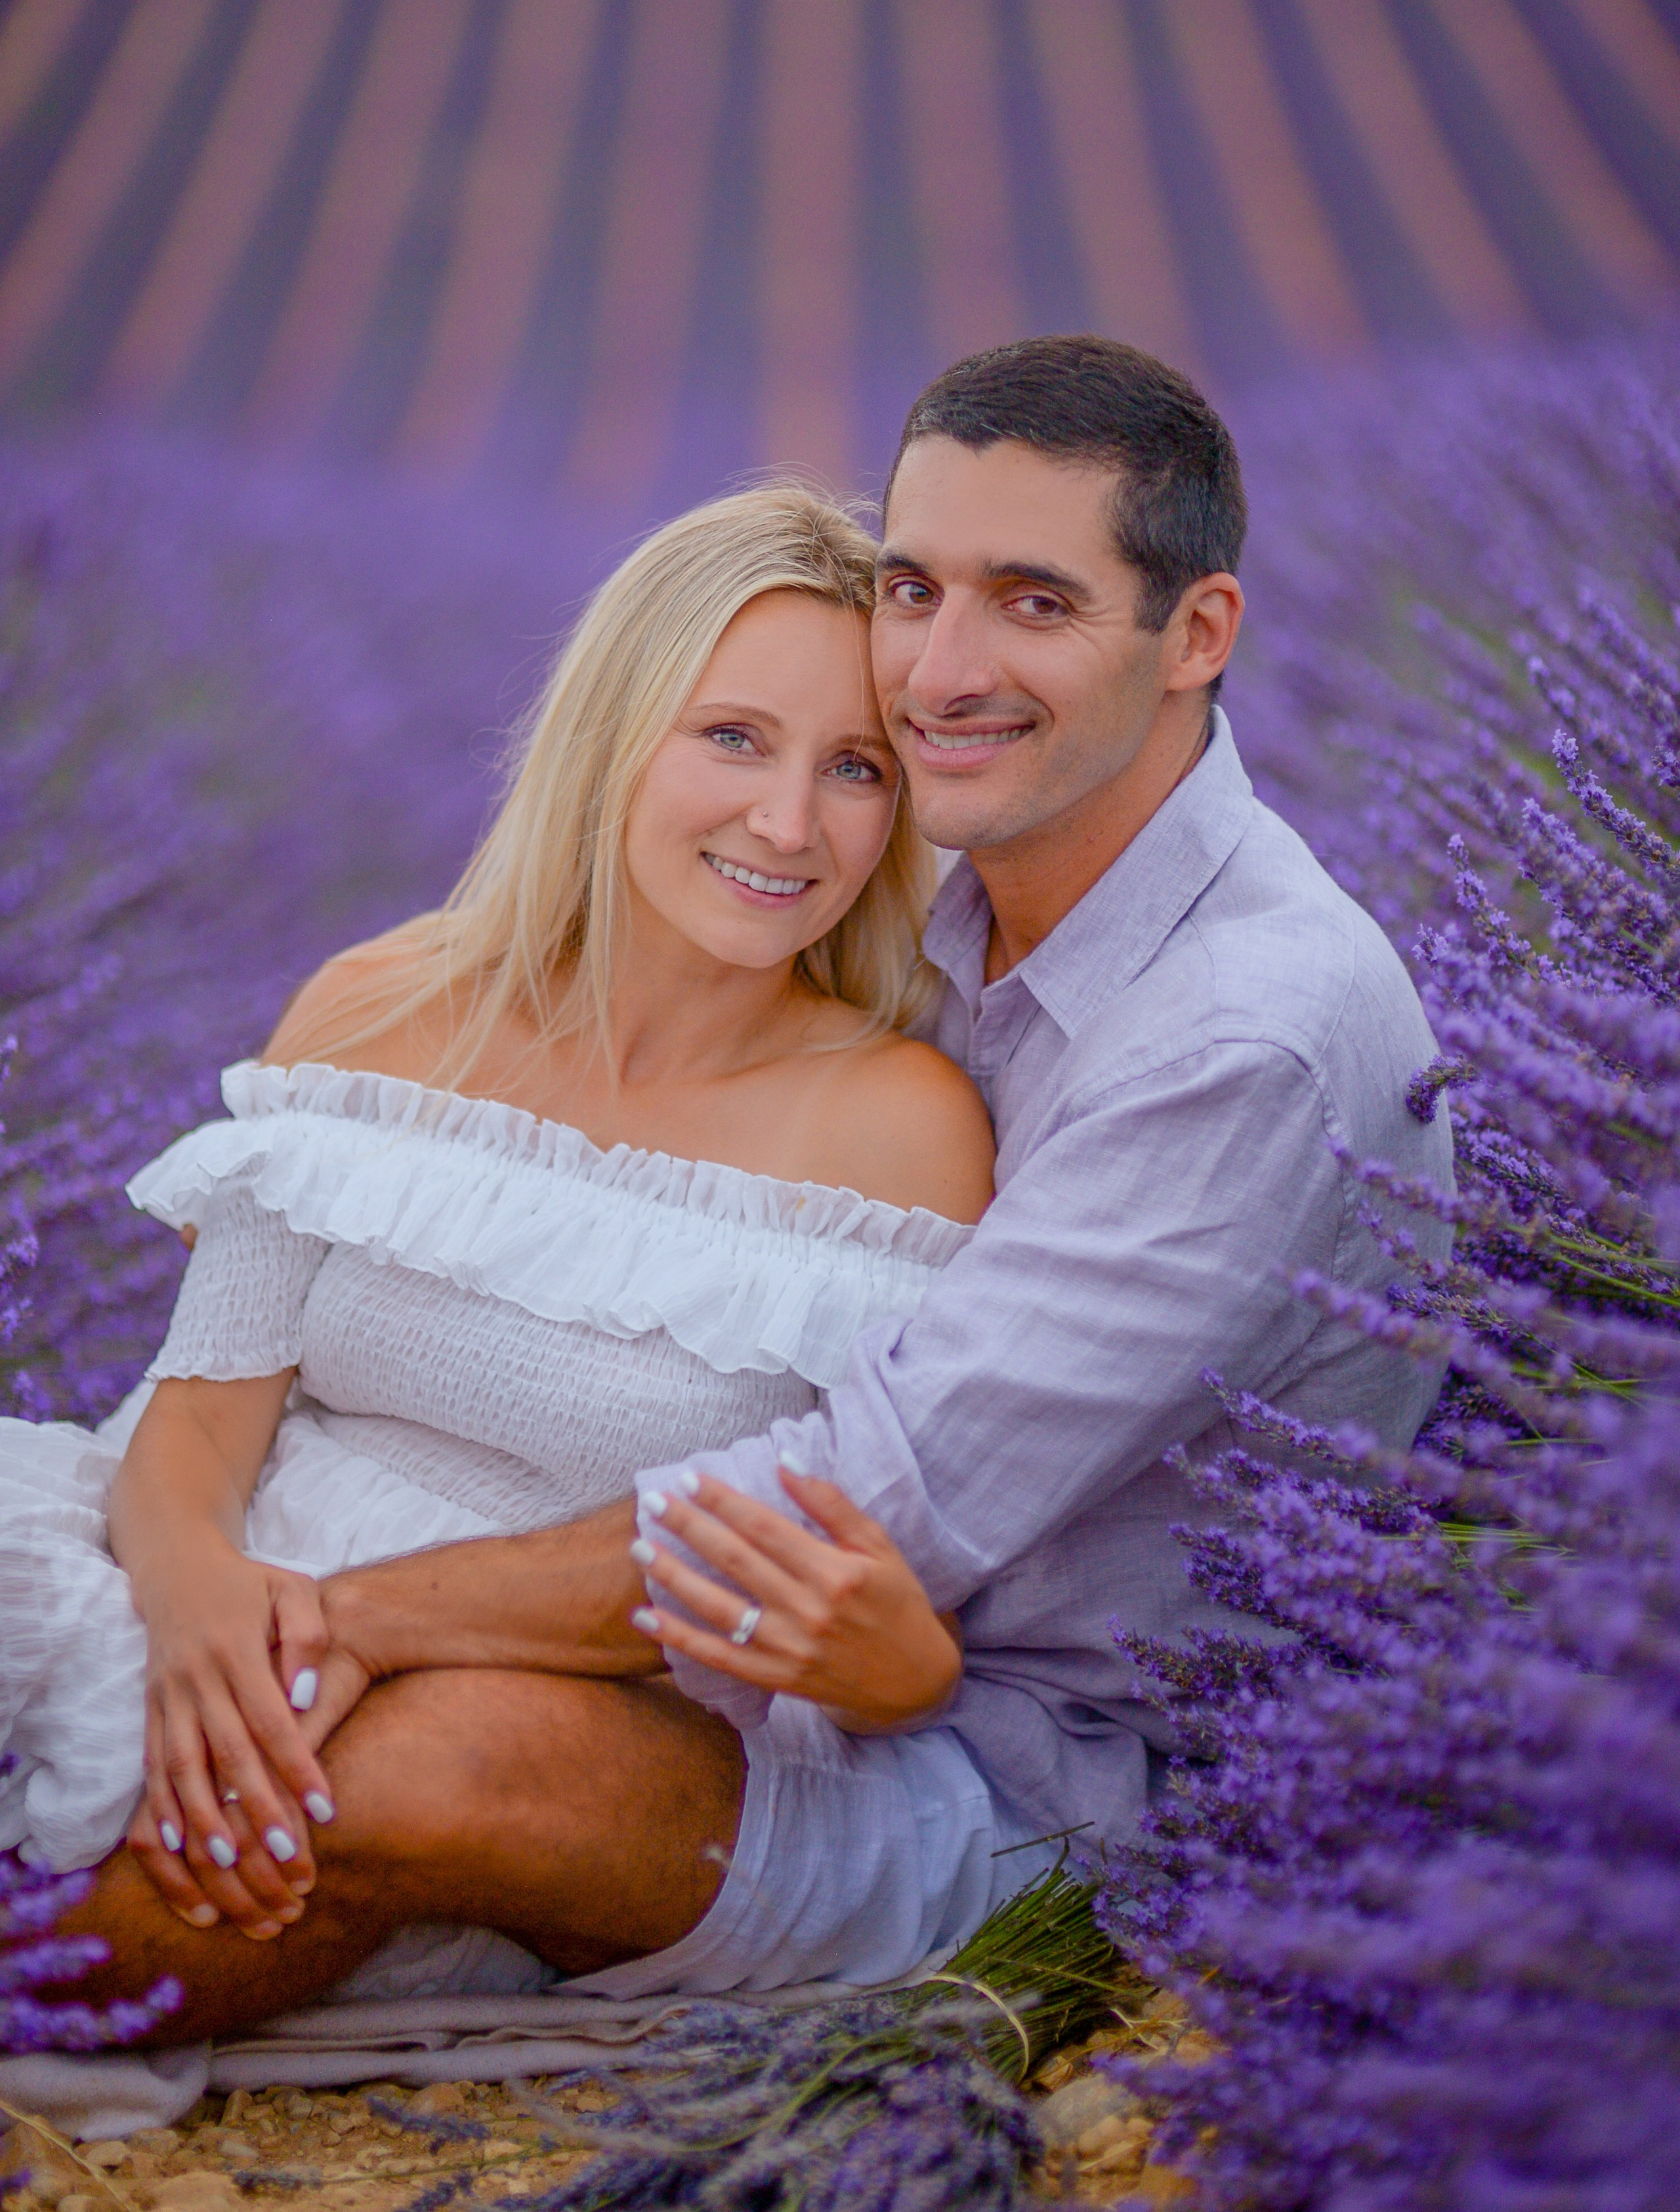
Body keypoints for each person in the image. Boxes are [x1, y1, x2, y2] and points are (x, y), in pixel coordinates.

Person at [50, 333, 1452, 2044]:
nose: (941, 666)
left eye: (1033, 601)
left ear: (1199, 635)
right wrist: (215, 1580)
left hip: (1005, 1773)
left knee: (424, 1753)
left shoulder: (1242, 1037)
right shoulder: (958, 929)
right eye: (919, 589)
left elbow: (842, 1517)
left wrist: (336, 1625)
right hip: (774, 1651)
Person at [5, 488, 998, 2033]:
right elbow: (200, 1409)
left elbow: (832, 1574)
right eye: (730, 737)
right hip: (222, 1580)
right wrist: (199, 1601)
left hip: (537, 1699)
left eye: (854, 768)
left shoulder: (901, 1131)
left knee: (350, 1787)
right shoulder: (382, 1002)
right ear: (612, 732)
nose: (788, 825)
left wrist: (346, 1640)